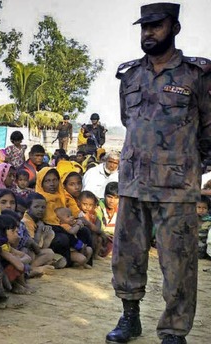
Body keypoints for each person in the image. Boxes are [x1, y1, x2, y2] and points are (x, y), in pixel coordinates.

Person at [107, 3, 211, 343]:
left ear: (175, 28)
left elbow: (208, 131)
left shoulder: (197, 75)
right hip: (133, 182)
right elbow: (129, 122)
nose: (149, 33)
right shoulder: (130, 75)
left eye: (157, 26)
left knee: (179, 263)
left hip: (177, 186)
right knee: (126, 255)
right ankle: (129, 318)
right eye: (144, 27)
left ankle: (173, 331)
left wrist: (192, 169)